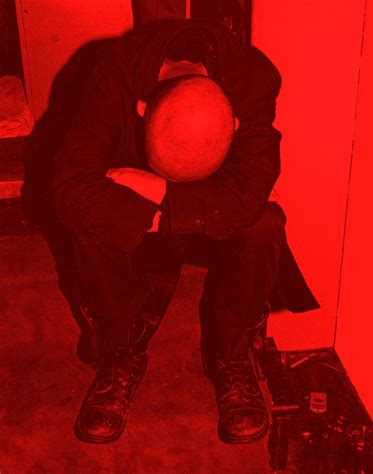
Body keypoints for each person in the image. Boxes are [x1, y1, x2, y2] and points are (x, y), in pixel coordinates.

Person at [52, 19, 319, 445]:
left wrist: (161, 194)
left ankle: (231, 354)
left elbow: (251, 193)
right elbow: (68, 190)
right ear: (142, 110)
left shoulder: (253, 78)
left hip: (190, 211)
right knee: (89, 226)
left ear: (234, 123)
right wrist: (175, 208)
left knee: (264, 223)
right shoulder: (111, 76)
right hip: (160, 213)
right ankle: (121, 351)